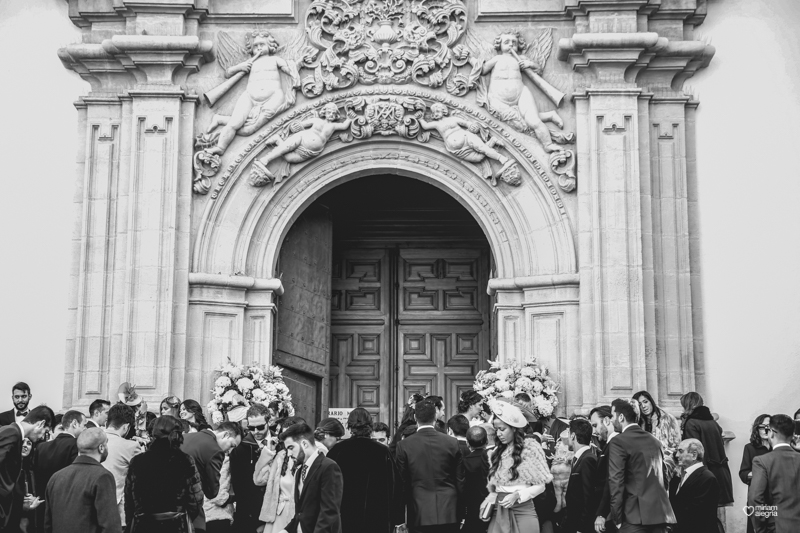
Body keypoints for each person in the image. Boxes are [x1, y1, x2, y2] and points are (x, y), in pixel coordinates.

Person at [480, 400, 552, 533]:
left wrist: (517, 495)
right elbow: (494, 486)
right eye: (496, 430)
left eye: (502, 429)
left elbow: (541, 486)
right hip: (498, 511)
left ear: (514, 428)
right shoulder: (495, 452)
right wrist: (488, 501)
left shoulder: (531, 449)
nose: (498, 434)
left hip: (524, 511)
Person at [124, 415, 204, 533]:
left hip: (144, 525)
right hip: (176, 525)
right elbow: (196, 499)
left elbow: (129, 498)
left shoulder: (137, 461)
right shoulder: (185, 460)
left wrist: (132, 520)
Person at [396, 399, 464, 533]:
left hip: (418, 510)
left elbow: (401, 484)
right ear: (435, 417)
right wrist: (462, 514)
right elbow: (460, 481)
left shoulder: (404, 445)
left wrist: (399, 518)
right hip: (449, 510)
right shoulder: (452, 442)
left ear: (415, 417)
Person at [608, 398, 676, 533]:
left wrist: (617, 519)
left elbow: (616, 481)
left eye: (612, 415)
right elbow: (665, 478)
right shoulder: (655, 441)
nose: (610, 420)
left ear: (621, 417)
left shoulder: (618, 442)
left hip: (634, 518)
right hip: (661, 515)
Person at [326, 408, 397, 533]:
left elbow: (327, 488)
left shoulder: (337, 450)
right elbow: (393, 486)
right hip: (376, 519)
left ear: (349, 425)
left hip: (345, 518)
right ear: (370, 425)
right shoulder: (382, 451)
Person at [42, 427, 119, 533]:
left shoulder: (56, 477)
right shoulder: (102, 477)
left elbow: (48, 523)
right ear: (101, 447)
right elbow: (110, 526)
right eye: (106, 444)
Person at [278, 422, 343, 533]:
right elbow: (301, 513)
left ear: (304, 444)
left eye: (291, 447)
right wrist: (286, 531)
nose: (288, 454)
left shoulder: (329, 467)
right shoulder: (299, 471)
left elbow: (329, 512)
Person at [181, 421, 243, 533]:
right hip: (191, 509)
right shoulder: (215, 451)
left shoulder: (186, 437)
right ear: (226, 435)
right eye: (232, 445)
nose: (230, 450)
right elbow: (212, 492)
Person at [0, 405, 53, 533]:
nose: (42, 437)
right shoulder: (12, 433)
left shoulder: (14, 433)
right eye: (45, 432)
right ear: (41, 424)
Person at [679, 392, 734, 507]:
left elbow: (693, 453)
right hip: (720, 474)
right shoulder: (713, 423)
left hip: (704, 476)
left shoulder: (691, 423)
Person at [748, 414, 800, 533]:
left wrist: (761, 528)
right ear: (792, 435)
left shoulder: (762, 461)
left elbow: (755, 498)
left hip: (777, 527)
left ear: (771, 433)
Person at [252, 416, 305, 533]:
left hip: (300, 516)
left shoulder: (310, 458)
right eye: (284, 435)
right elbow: (259, 480)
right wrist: (268, 452)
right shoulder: (281, 456)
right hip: (278, 514)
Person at [229, 403, 269, 532]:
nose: (256, 432)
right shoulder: (240, 450)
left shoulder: (280, 443)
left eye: (260, 427)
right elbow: (239, 487)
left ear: (269, 422)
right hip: (249, 514)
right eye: (251, 428)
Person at [101, 403, 142, 527]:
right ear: (126, 427)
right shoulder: (130, 446)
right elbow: (143, 472)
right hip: (117, 510)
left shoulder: (90, 439)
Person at [668, 439, 720, 533]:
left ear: (694, 455)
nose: (676, 455)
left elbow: (698, 513)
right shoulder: (678, 477)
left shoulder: (707, 478)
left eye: (680, 451)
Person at [33, 410, 85, 499]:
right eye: (84, 425)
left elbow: (35, 475)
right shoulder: (77, 445)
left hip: (42, 499)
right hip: (65, 499)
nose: (85, 429)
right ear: (75, 424)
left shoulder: (41, 447)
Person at [633, 391, 681, 481]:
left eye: (645, 402)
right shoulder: (638, 423)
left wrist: (663, 466)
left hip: (667, 470)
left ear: (651, 401)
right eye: (639, 404)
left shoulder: (667, 419)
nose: (643, 406)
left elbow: (675, 446)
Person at [562, 418, 598, 533]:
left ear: (573, 436)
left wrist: (582, 529)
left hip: (580, 527)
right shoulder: (581, 458)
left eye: (568, 434)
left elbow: (589, 498)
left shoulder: (588, 459)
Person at [739, 414, 772, 533]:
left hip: (775, 497)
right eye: (762, 427)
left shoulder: (777, 448)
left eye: (768, 426)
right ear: (757, 429)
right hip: (757, 497)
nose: (765, 430)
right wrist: (760, 474)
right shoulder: (750, 448)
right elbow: (743, 473)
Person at [589, 405, 617, 533]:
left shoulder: (615, 445)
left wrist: (602, 514)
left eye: (595, 425)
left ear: (606, 421)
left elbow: (610, 481)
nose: (594, 431)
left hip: (610, 516)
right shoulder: (608, 445)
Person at [462, 426, 490, 533]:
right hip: (493, 507)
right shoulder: (493, 459)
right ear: (487, 442)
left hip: (472, 508)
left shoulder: (464, 462)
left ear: (468, 443)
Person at [205, 455, 234, 533]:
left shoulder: (204, 459)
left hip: (205, 515)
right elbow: (219, 497)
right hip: (218, 515)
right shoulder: (224, 462)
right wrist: (236, 498)